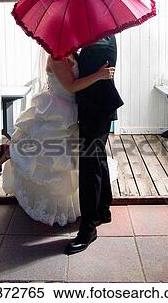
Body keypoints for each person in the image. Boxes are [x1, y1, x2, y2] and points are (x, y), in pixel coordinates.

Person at [0, 48, 117, 228]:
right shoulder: (56, 57)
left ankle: (10, 150)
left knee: (61, 158)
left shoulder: (74, 53)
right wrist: (99, 75)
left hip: (71, 110)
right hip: (57, 109)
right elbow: (71, 86)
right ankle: (11, 151)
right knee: (47, 154)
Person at [65, 35, 124, 255]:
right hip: (95, 107)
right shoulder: (96, 37)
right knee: (98, 157)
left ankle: (88, 229)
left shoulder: (102, 37)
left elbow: (92, 67)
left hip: (97, 107)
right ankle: (102, 210)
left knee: (88, 165)